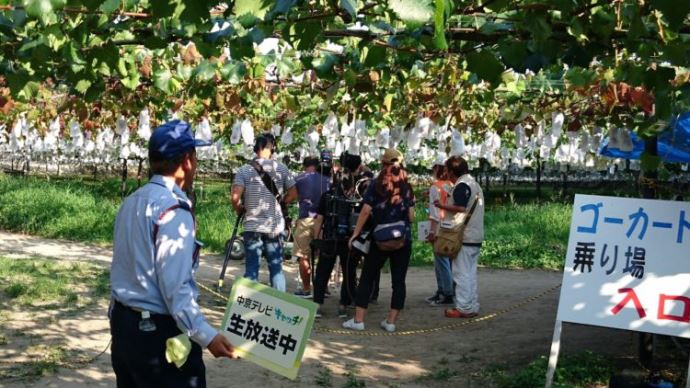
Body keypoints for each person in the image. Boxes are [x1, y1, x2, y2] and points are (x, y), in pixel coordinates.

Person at [109, 120, 235, 388]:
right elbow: (175, 288)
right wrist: (207, 336)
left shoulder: (132, 201)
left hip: (124, 325)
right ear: (187, 161)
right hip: (157, 334)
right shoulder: (173, 210)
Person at [344, 148, 415, 332]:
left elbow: (366, 211)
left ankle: (359, 320)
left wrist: (355, 234)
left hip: (380, 239)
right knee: (399, 281)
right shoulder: (407, 186)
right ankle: (391, 322)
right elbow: (412, 215)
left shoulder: (376, 184)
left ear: (383, 164)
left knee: (367, 276)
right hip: (403, 239)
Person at [231, 133, 296, 292]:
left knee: (252, 268)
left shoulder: (244, 170)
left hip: (252, 226)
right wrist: (282, 202)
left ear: (256, 148)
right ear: (272, 148)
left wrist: (240, 209)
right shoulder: (281, 168)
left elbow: (235, 197)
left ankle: (247, 304)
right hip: (275, 226)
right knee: (276, 268)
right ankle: (278, 306)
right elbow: (294, 193)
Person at [434, 155, 485, 318]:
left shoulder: (462, 185)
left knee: (461, 273)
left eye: (447, 169)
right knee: (469, 273)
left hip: (465, 235)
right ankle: (471, 305)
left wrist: (441, 205)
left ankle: (463, 307)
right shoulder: (473, 183)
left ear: (451, 171)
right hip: (474, 235)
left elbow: (461, 207)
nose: (445, 172)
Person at [292, 152, 332, 298]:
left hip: (305, 220)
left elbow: (293, 196)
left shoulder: (299, 178)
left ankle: (307, 289)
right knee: (324, 255)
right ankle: (323, 287)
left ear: (305, 166)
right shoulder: (328, 181)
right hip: (323, 222)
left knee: (303, 256)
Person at [426, 156, 454, 306]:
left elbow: (435, 213)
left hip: (439, 227)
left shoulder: (435, 187)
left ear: (437, 169)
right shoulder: (451, 184)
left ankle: (446, 293)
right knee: (448, 262)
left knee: (441, 262)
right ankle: (444, 291)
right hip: (451, 227)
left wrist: (431, 232)